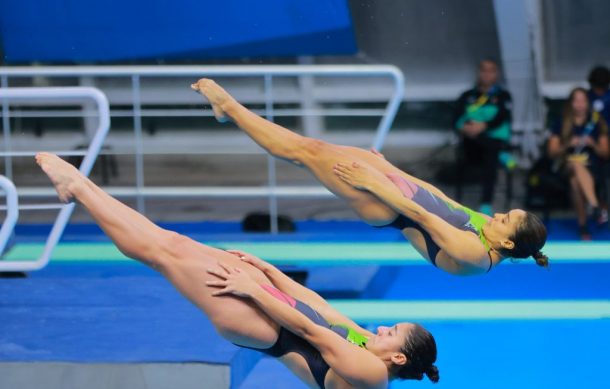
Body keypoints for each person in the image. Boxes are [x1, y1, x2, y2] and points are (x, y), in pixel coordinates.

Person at [35, 152, 439, 388]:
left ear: (399, 359)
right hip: (275, 305)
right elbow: (317, 306)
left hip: (262, 325)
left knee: (161, 255)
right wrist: (268, 270)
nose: (383, 328)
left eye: (393, 333)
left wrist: (254, 289)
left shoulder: (372, 374)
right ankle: (81, 188)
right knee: (173, 243)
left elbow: (309, 331)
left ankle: (80, 190)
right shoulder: (368, 344)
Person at [191, 79, 548, 276]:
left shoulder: (475, 253)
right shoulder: (489, 229)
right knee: (310, 147)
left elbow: (423, 216)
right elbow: (442, 200)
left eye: (505, 220)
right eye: (505, 213)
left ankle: (231, 110)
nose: (498, 215)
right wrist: (393, 169)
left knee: (306, 152)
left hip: (388, 207)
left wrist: (375, 183)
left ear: (509, 245)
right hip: (397, 187)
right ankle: (231, 111)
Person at [547, 87, 610, 240]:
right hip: (566, 166)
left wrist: (593, 144)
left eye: (583, 100)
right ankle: (595, 206)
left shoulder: (596, 122)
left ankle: (583, 228)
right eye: (576, 100)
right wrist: (567, 144)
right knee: (575, 165)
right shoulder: (561, 122)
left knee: (575, 182)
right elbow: (551, 152)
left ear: (588, 103)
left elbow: (606, 152)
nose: (580, 104)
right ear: (571, 103)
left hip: (593, 169)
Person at [453, 59, 513, 216]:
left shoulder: (503, 96)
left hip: (493, 144)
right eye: (484, 70)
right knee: (490, 150)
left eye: (491, 70)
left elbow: (502, 117)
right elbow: (455, 120)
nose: (487, 74)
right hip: (472, 145)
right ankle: (501, 155)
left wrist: (483, 126)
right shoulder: (467, 96)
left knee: (490, 155)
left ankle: (486, 203)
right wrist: (466, 128)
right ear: (479, 72)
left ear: (496, 73)